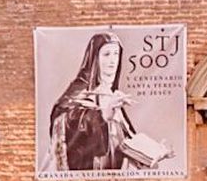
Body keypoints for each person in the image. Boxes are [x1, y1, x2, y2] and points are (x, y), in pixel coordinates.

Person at [48, 33, 146, 172]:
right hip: (92, 169)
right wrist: (101, 116)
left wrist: (150, 152)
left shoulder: (113, 95)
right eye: (106, 54)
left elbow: (125, 141)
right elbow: (62, 120)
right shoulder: (79, 91)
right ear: (95, 59)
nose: (113, 61)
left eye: (116, 54)